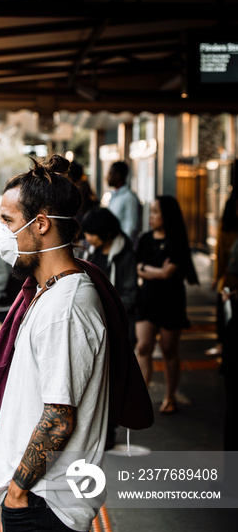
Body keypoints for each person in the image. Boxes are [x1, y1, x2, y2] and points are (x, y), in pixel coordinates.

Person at [0, 155, 109, 532]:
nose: (1, 233)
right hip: (40, 499)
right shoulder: (50, 291)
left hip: (41, 503)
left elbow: (58, 417)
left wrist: (18, 491)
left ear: (40, 225)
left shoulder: (65, 310)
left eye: (7, 220)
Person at [135, 195, 199, 415]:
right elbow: (139, 267)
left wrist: (149, 270)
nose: (151, 216)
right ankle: (141, 398)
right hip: (147, 299)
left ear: (167, 216)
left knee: (169, 350)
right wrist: (158, 272)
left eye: (155, 212)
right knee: (143, 347)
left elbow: (168, 273)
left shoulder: (177, 242)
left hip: (171, 302)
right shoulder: (145, 239)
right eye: (151, 211)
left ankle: (170, 397)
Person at [81, 207, 138, 346]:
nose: (87, 237)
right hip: (92, 320)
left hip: (117, 323)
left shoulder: (125, 256)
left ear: (106, 233)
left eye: (91, 233)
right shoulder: (89, 252)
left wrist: (107, 309)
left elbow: (130, 293)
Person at [211, 192, 238, 355]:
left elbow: (220, 255)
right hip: (230, 280)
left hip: (228, 280)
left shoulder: (225, 229)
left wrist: (217, 278)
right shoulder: (229, 231)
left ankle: (223, 344)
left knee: (226, 316)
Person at [107, 161, 140, 244]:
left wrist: (123, 247)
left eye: (110, 173)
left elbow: (131, 226)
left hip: (122, 248)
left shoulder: (129, 197)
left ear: (118, 175)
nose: (108, 177)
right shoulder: (114, 195)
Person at [0, 243, 22, 323]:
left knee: (7, 333)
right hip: (21, 297)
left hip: (6, 301)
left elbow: (0, 272)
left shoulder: (2, 238)